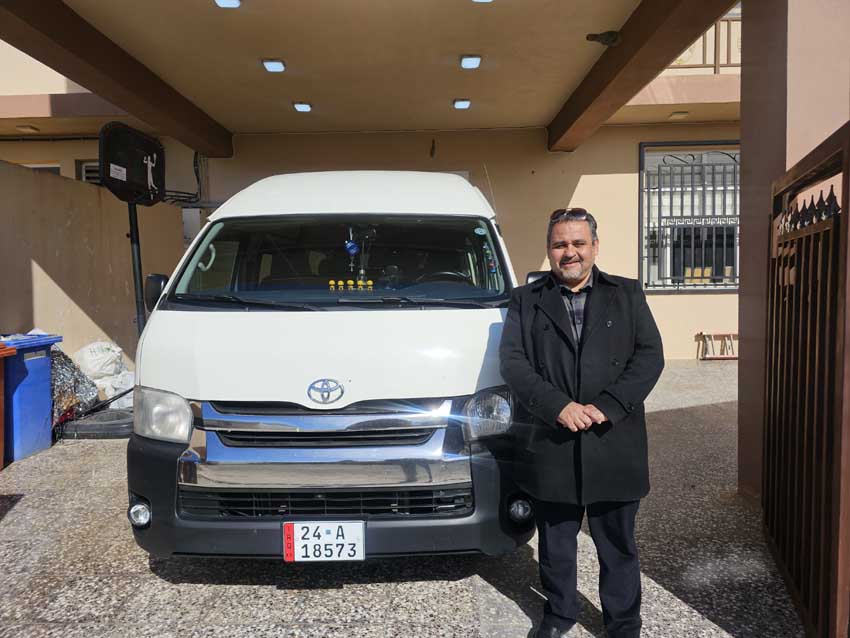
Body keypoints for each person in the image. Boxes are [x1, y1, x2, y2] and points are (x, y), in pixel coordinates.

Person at [499, 208, 664, 638]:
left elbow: (649, 357)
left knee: (618, 545)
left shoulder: (627, 293)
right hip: (553, 440)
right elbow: (513, 363)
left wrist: (609, 405)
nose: (569, 252)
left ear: (595, 246)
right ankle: (559, 615)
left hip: (613, 439)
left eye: (578, 243)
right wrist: (558, 406)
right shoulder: (525, 300)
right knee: (555, 545)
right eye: (560, 244)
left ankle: (623, 624)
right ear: (549, 249)